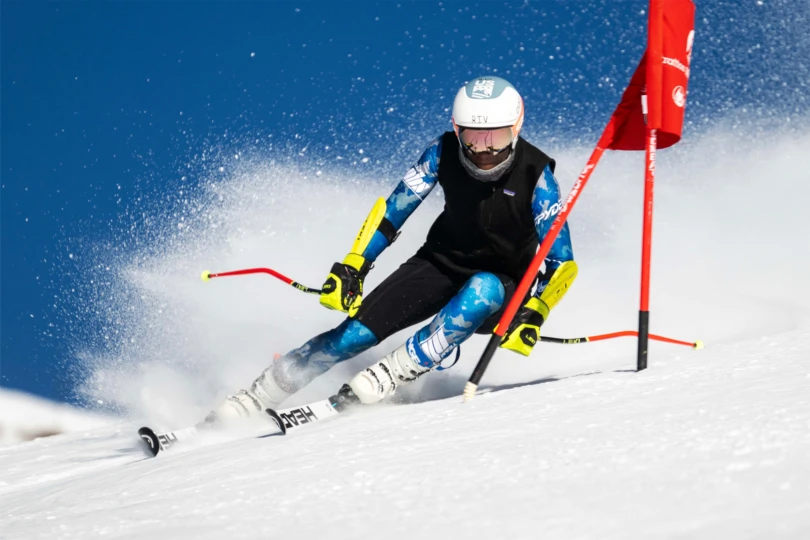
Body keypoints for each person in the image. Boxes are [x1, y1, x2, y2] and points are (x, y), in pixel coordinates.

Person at [211, 75, 577, 421]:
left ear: (516, 128)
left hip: (504, 288)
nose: (483, 151)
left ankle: (392, 373)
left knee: (484, 289)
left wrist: (536, 311)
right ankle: (261, 394)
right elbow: (393, 212)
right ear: (456, 129)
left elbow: (561, 262)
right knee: (352, 336)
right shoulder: (442, 152)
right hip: (440, 264)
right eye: (472, 138)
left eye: (495, 138)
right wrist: (355, 264)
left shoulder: (537, 178)